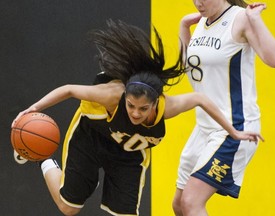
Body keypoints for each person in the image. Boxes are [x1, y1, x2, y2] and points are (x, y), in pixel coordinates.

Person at [12, 20, 262, 216]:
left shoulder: (167, 107)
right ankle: (45, 161)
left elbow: (202, 100)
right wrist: (32, 109)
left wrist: (234, 131)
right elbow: (67, 89)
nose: (135, 113)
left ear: (155, 104)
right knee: (69, 208)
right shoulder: (112, 95)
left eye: (143, 109)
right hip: (91, 139)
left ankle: (102, 176)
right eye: (131, 106)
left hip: (127, 155)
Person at [172, 1, 275, 215]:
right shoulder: (202, 21)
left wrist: (255, 19)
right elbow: (190, 68)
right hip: (204, 127)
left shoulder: (241, 17)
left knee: (191, 202)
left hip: (235, 128)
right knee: (179, 205)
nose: (198, 2)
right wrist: (184, 29)